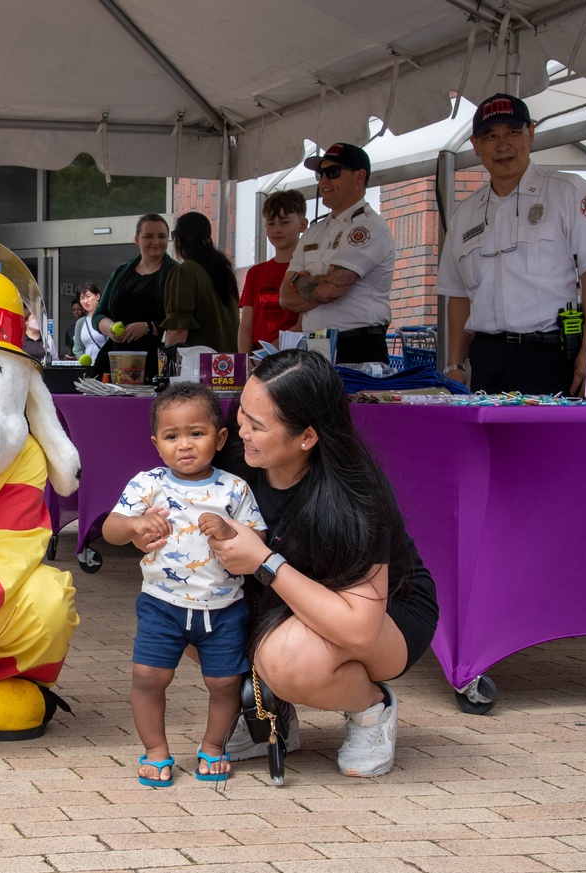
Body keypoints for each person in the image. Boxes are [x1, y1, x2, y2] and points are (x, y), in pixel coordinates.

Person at [209, 349, 438, 778]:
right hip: (285, 605)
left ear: (307, 437)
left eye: (257, 426)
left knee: (291, 658)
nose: (240, 431)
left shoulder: (354, 491)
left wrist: (263, 561)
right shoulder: (235, 455)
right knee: (180, 606)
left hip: (384, 616)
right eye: (241, 413)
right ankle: (274, 709)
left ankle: (370, 707)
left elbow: (358, 628)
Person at [101, 382, 266, 786]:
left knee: (224, 682)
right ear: (157, 443)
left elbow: (258, 542)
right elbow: (110, 528)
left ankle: (213, 747)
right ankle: (156, 751)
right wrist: (134, 524)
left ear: (220, 437)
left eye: (197, 433)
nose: (185, 445)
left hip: (224, 606)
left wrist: (228, 530)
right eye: (172, 436)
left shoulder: (235, 488)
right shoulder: (148, 485)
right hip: (162, 604)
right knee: (148, 677)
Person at [437, 93, 586, 395]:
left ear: (531, 133)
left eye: (512, 132)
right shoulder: (464, 214)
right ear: (476, 147)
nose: (503, 145)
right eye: (490, 136)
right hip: (487, 358)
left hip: (550, 356)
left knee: (551, 443)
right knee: (491, 444)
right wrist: (454, 366)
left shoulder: (570, 193)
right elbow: (458, 295)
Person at [279, 143, 395, 365]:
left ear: (359, 176)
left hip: (358, 346)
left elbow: (329, 290)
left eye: (332, 173)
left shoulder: (369, 228)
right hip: (315, 345)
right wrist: (315, 286)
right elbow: (285, 297)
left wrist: (302, 280)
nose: (323, 181)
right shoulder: (314, 232)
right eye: (320, 174)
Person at [92, 213, 178, 382]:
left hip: (155, 365)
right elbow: (99, 314)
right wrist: (110, 328)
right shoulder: (121, 271)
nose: (156, 242)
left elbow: (180, 321)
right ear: (137, 239)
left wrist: (148, 327)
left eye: (162, 236)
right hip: (115, 361)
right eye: (149, 236)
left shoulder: (176, 273)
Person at [238, 190, 307, 353]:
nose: (277, 229)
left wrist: (268, 353)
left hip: (293, 353)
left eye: (284, 223)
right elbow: (246, 325)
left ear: (303, 224)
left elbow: (303, 323)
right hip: (257, 355)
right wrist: (245, 361)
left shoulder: (308, 268)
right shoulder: (255, 273)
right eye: (271, 223)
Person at [162, 211, 240, 353]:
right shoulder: (224, 270)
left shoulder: (184, 272)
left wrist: (167, 366)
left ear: (178, 239)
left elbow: (178, 329)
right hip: (228, 365)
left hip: (198, 367)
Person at [71, 282, 107, 360]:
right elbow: (78, 348)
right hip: (88, 367)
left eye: (88, 296)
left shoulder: (106, 318)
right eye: (82, 298)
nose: (85, 301)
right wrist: (84, 361)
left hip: (105, 365)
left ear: (97, 296)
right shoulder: (80, 322)